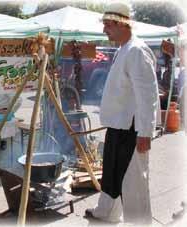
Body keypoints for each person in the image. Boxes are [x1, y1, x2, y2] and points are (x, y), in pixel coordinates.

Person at [85, 2, 159, 225]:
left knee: (133, 182)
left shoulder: (137, 50)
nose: (104, 29)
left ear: (121, 24)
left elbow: (147, 95)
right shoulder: (123, 49)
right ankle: (107, 212)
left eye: (108, 25)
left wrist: (145, 132)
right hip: (118, 125)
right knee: (112, 174)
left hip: (132, 129)